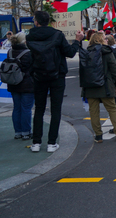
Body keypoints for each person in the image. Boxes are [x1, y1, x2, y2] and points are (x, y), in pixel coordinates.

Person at [26, 11, 84, 153]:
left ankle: (36, 142)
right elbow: (70, 52)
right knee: (55, 109)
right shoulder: (57, 35)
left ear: (36, 22)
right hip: (57, 75)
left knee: (39, 109)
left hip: (39, 75)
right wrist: (77, 40)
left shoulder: (30, 37)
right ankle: (52, 142)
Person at [82, 33, 116, 143]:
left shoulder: (87, 52)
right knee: (112, 108)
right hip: (105, 85)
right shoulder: (106, 51)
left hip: (90, 86)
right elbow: (114, 68)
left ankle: (98, 135)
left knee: (94, 112)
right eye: (105, 38)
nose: (106, 40)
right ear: (101, 40)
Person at [7, 32, 35, 140]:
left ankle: (17, 132)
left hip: (13, 83)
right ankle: (26, 132)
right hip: (27, 84)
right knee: (26, 109)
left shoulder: (10, 52)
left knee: (17, 108)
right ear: (24, 41)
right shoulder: (28, 53)